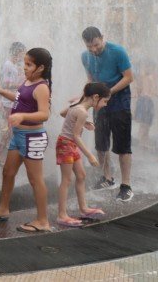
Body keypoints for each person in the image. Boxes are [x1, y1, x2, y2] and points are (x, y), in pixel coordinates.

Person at [0, 48, 53, 233]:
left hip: (32, 137)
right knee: (7, 172)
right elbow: (19, 98)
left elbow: (44, 114)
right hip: (19, 136)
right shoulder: (28, 82)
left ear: (40, 68)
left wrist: (22, 116)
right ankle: (3, 209)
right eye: (24, 63)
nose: (24, 67)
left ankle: (43, 220)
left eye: (29, 64)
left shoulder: (41, 87)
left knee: (35, 179)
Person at [80, 26, 134, 201]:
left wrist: (109, 93)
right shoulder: (85, 56)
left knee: (122, 145)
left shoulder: (117, 51)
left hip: (120, 103)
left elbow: (128, 77)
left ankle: (126, 185)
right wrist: (85, 102)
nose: (94, 50)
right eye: (90, 47)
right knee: (101, 144)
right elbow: (90, 80)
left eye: (96, 45)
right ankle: (107, 178)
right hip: (99, 105)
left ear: (102, 38)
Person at [56, 83, 108, 227]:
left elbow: (63, 113)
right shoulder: (82, 111)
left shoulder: (77, 104)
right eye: (105, 101)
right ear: (96, 97)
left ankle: (84, 208)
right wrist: (90, 156)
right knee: (66, 180)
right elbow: (76, 136)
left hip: (69, 143)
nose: (105, 105)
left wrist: (84, 123)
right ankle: (61, 215)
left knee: (81, 175)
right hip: (66, 144)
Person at [0, 42, 26, 165]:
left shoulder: (13, 65)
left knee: (11, 129)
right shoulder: (8, 65)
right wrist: (20, 85)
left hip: (12, 100)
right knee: (9, 129)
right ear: (18, 52)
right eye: (23, 52)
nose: (24, 55)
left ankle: (3, 154)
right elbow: (4, 84)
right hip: (8, 102)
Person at [134, 60, 157, 150]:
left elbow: (139, 90)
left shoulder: (143, 77)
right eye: (150, 67)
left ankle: (143, 140)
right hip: (146, 101)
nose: (151, 69)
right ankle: (142, 141)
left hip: (144, 100)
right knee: (145, 123)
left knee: (145, 123)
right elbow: (152, 91)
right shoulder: (148, 77)